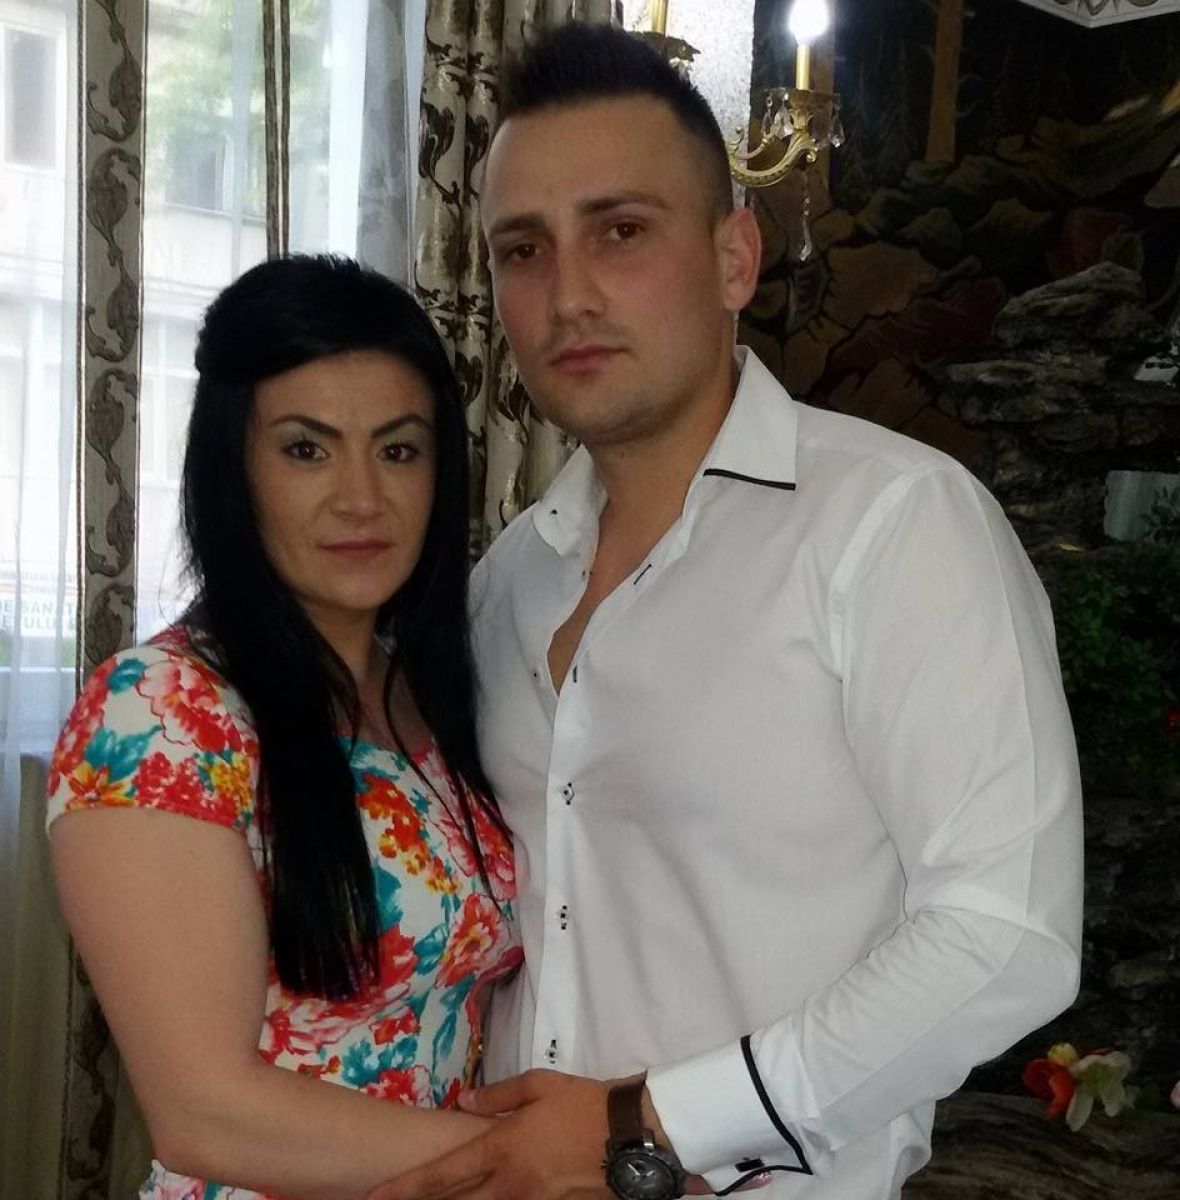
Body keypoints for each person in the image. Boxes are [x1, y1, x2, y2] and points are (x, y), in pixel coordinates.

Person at [370, 22, 1084, 1200]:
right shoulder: (506, 581)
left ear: (735, 257)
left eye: (621, 230)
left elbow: (1006, 933)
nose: (568, 295)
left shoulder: (892, 525)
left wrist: (648, 1125)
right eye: (522, 250)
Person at [47, 255, 521, 1200]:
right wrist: (531, 1165)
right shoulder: (161, 714)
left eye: (399, 450)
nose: (361, 499)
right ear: (234, 468)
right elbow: (207, 1112)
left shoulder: (433, 693)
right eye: (307, 449)